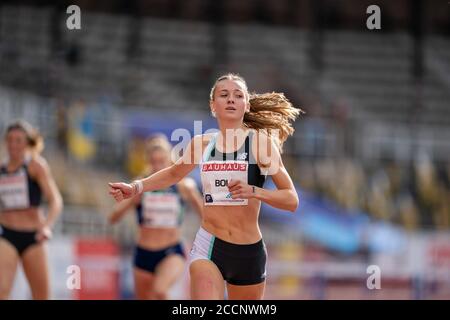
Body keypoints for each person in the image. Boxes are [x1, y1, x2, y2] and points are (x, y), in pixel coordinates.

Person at [109, 73, 301, 300]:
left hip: (248, 251)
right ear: (213, 106)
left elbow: (291, 200)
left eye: (238, 95)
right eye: (224, 94)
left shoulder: (261, 145)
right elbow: (172, 173)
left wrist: (254, 191)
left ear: (246, 105)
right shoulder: (201, 144)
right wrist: (136, 187)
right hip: (209, 245)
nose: (231, 99)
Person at [109, 134, 203, 300]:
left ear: (169, 160)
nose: (158, 166)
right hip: (143, 253)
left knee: (160, 291)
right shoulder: (139, 185)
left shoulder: (183, 186)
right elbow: (113, 217)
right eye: (154, 161)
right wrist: (131, 201)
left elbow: (206, 214)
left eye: (162, 161)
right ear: (148, 161)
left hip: (171, 251)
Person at [0, 120, 63, 299]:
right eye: (10, 140)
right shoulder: (1, 169)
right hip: (6, 235)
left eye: (18, 140)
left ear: (27, 143)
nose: (13, 144)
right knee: (2, 290)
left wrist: (47, 226)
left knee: (41, 295)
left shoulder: (36, 166)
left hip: (33, 237)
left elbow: (55, 200)